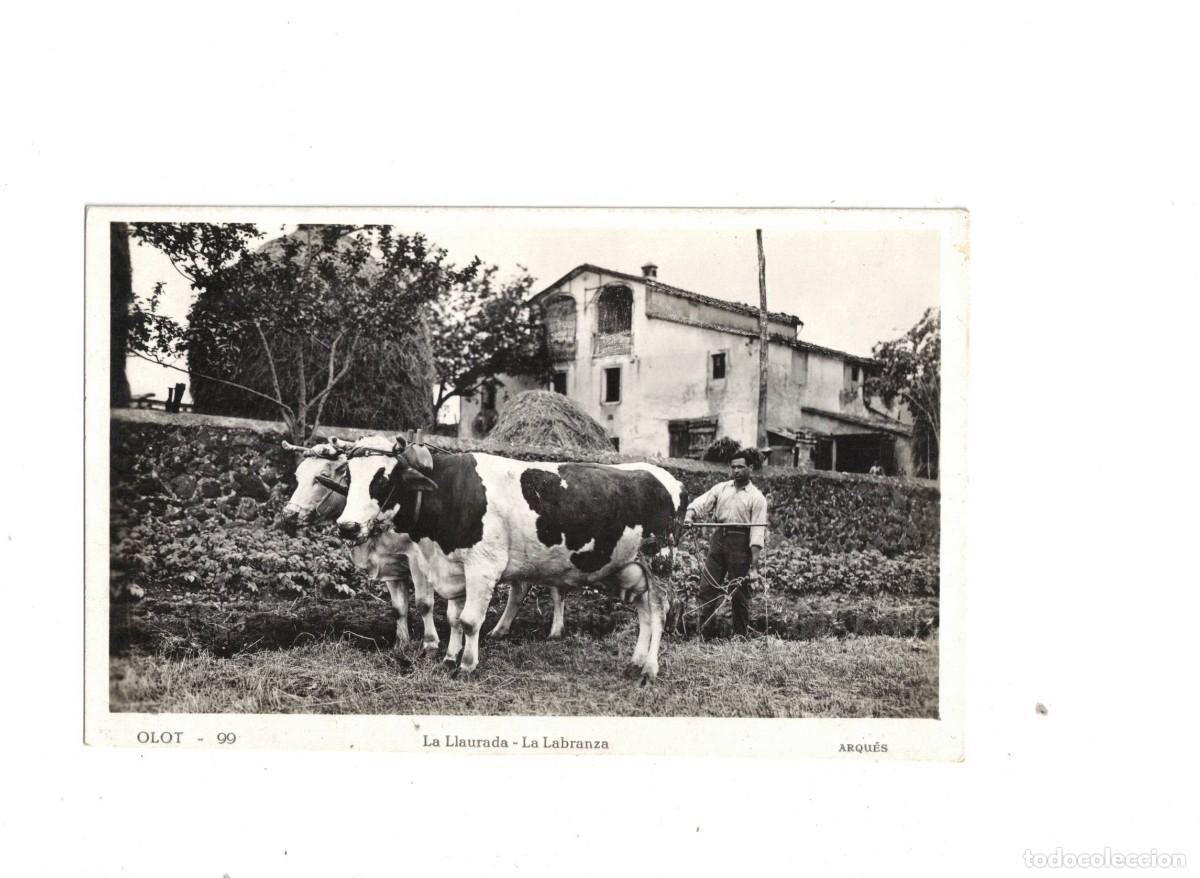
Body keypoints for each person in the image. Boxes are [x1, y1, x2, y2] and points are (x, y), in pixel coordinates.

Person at [684, 450, 769, 637]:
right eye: (733, 467)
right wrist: (690, 515)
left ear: (751, 468)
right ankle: (703, 636)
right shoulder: (721, 488)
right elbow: (702, 502)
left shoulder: (757, 497)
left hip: (741, 543)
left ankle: (740, 637)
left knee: (739, 592)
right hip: (719, 539)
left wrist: (754, 567)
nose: (736, 470)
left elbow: (757, 534)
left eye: (741, 467)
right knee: (707, 587)